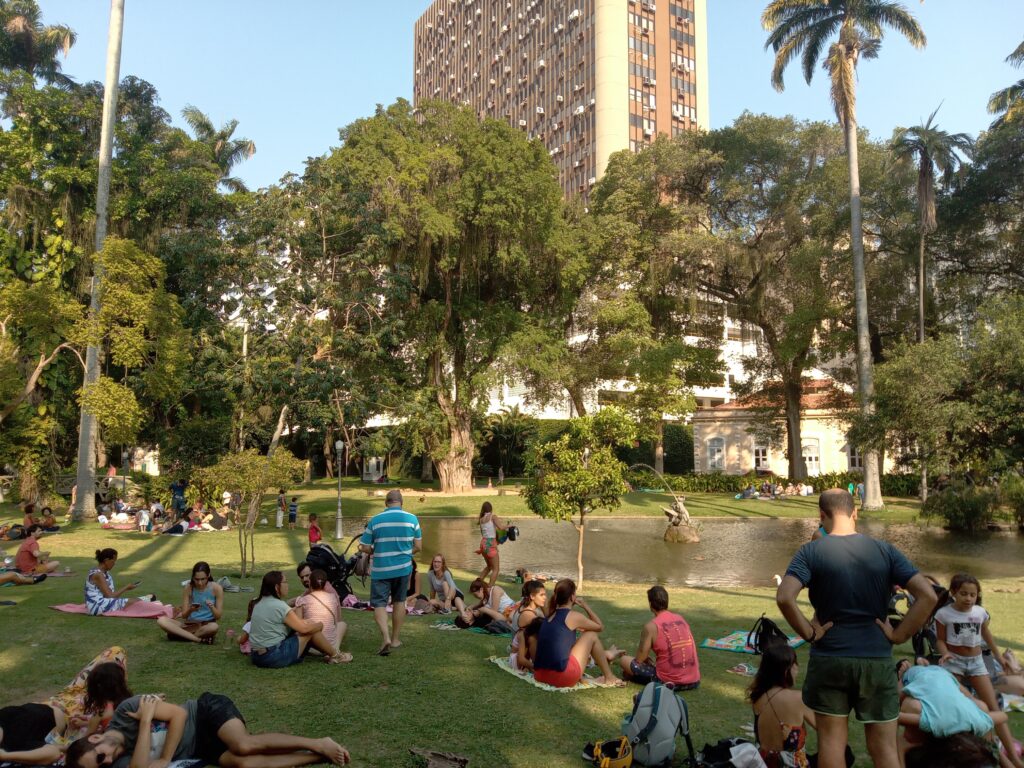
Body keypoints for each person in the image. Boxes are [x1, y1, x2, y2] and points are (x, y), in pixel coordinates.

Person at [776, 488, 938, 768]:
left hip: (829, 659)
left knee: (831, 743)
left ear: (821, 515)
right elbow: (929, 596)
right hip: (875, 660)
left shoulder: (810, 551)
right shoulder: (885, 550)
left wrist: (810, 633)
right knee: (884, 748)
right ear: (855, 513)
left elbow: (784, 597)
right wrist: (899, 635)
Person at [63, 692, 351, 768]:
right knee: (242, 764)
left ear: (96, 737)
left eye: (101, 757)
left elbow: (177, 715)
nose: (109, 762)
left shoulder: (127, 711)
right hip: (199, 747)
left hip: (205, 713)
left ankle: (317, 741)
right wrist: (148, 719)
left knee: (243, 746)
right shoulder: (119, 760)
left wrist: (164, 758)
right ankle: (317, 757)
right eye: (102, 767)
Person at [934, 574, 1023, 768]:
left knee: (993, 707)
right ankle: (993, 757)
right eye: (964, 593)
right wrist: (944, 653)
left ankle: (1014, 760)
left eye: (972, 594)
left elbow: (986, 634)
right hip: (953, 663)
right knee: (955, 707)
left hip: (976, 662)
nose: (968, 598)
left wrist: (999, 657)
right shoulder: (943, 614)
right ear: (953, 593)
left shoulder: (980, 613)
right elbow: (940, 639)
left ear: (977, 595)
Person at [896, 660, 1016, 768]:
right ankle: (914, 665)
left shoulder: (975, 721)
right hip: (917, 677)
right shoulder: (938, 722)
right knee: (913, 707)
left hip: (940, 677)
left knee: (980, 707)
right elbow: (894, 718)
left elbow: (1002, 716)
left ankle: (918, 663)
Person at [359, 489, 422, 656]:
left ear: (386, 503)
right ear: (401, 502)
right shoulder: (412, 519)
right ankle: (395, 639)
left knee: (379, 603)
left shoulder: (376, 520)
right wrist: (406, 552)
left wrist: (373, 550)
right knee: (399, 601)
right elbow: (419, 547)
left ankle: (385, 636)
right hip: (403, 569)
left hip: (381, 569)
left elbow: (364, 546)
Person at [532, 578, 624, 688]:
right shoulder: (573, 616)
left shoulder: (550, 615)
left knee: (578, 639)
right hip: (560, 678)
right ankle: (609, 677)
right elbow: (600, 627)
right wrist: (585, 606)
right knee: (591, 635)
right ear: (572, 597)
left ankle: (607, 659)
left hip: (540, 675)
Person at [248, 570, 351, 667]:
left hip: (256, 656)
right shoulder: (279, 606)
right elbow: (304, 629)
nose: (287, 585)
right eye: (285, 582)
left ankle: (330, 652)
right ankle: (335, 655)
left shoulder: (258, 603)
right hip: (273, 656)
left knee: (307, 626)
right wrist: (319, 625)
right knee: (311, 630)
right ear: (276, 587)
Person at [616, 585, 700, 690]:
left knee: (624, 660)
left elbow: (639, 659)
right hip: (694, 681)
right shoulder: (680, 619)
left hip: (668, 682)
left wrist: (644, 660)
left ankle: (635, 677)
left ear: (651, 604)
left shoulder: (651, 626)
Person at [748, 643, 817, 768]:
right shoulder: (797, 698)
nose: (797, 668)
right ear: (786, 670)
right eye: (795, 663)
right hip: (791, 764)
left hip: (763, 763)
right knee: (845, 753)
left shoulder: (758, 698)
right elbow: (823, 727)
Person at [156, 562, 223, 644]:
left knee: (214, 626)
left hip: (205, 626)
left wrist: (212, 607)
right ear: (193, 577)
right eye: (196, 579)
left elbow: (218, 616)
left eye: (203, 579)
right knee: (161, 620)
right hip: (189, 625)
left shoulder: (217, 588)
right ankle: (198, 639)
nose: (200, 583)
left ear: (208, 575)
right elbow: (184, 615)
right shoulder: (189, 587)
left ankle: (178, 635)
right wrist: (191, 610)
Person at [85, 548, 151, 615]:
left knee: (132, 601)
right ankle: (148, 599)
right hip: (98, 606)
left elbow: (109, 595)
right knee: (136, 602)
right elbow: (110, 596)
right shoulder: (98, 574)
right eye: (113, 561)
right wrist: (126, 587)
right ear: (106, 560)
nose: (114, 564)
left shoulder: (103, 573)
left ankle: (148, 599)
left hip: (102, 603)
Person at [294, 568, 347, 653]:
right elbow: (337, 621)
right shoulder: (333, 598)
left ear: (310, 582)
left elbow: (298, 627)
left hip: (312, 646)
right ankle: (335, 648)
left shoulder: (302, 600)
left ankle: (329, 649)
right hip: (330, 644)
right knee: (342, 624)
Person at [508, 580, 547, 671]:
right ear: (532, 596)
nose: (545, 598)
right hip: (520, 653)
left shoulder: (523, 606)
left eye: (545, 594)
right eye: (541, 595)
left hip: (518, 648)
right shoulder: (528, 615)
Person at [475, 501, 506, 587]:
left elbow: (483, 534)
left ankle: (477, 585)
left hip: (483, 544)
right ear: (491, 508)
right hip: (490, 545)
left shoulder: (481, 520)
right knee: (496, 569)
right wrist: (509, 526)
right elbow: (501, 527)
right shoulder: (493, 517)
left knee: (489, 566)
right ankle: (489, 588)